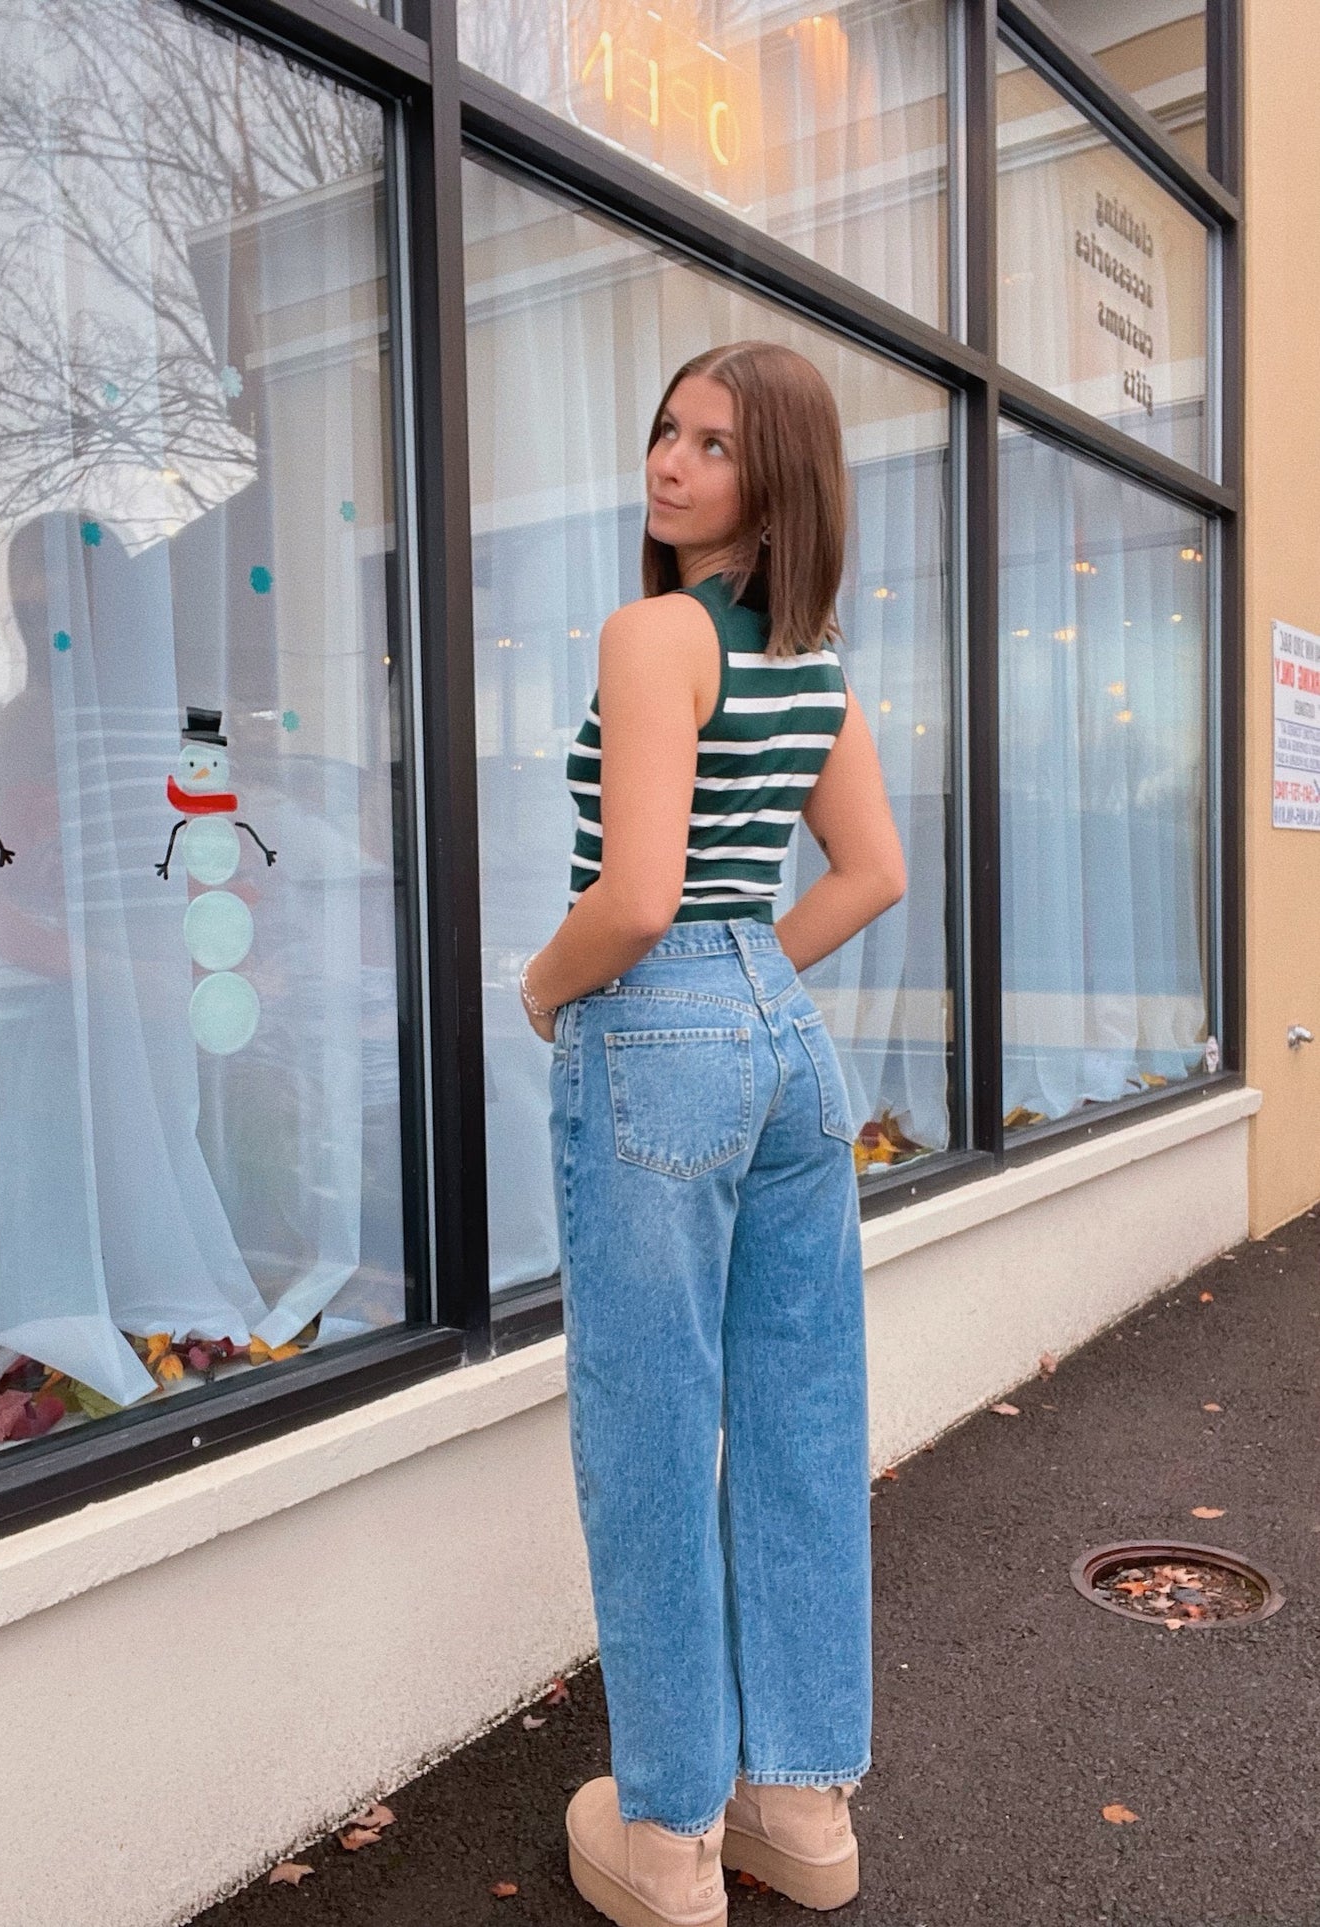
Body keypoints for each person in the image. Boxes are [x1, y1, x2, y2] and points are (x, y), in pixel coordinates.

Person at [518, 340, 907, 1927]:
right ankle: (802, 1810)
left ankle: (671, 1832)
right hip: (780, 1041)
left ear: (779, 478)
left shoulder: (653, 633)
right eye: (664, 431)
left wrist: (548, 993)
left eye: (713, 446)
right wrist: (747, 984)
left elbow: (633, 897)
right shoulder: (813, 662)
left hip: (661, 1034)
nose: (670, 464)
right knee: (802, 1418)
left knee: (652, 1436)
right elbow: (869, 873)